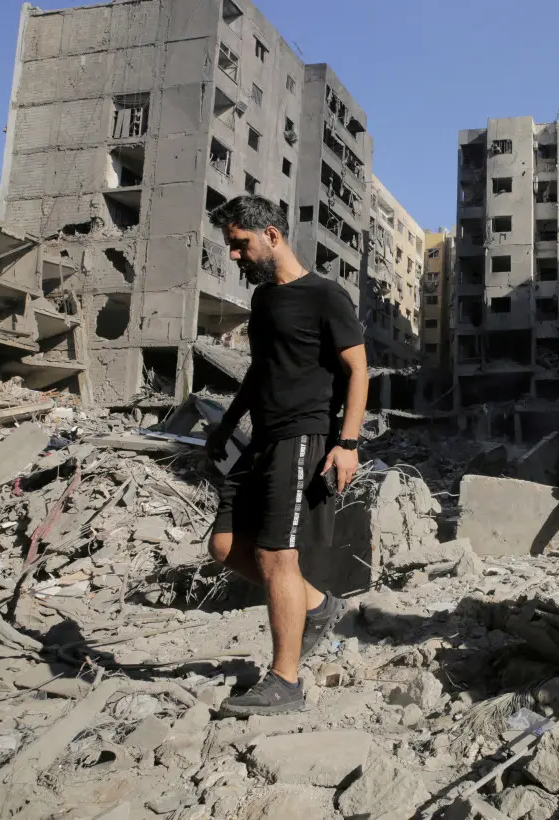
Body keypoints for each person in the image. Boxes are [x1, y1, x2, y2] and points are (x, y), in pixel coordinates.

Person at [204, 196, 369, 718]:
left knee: (278, 556)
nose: (234, 256)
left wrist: (347, 444)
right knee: (225, 545)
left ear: (271, 235)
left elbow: (358, 371)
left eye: (240, 244)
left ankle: (285, 681)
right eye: (231, 246)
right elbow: (259, 371)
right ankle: (318, 605)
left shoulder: (325, 295)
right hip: (263, 438)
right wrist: (228, 424)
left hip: (304, 436)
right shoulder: (263, 303)